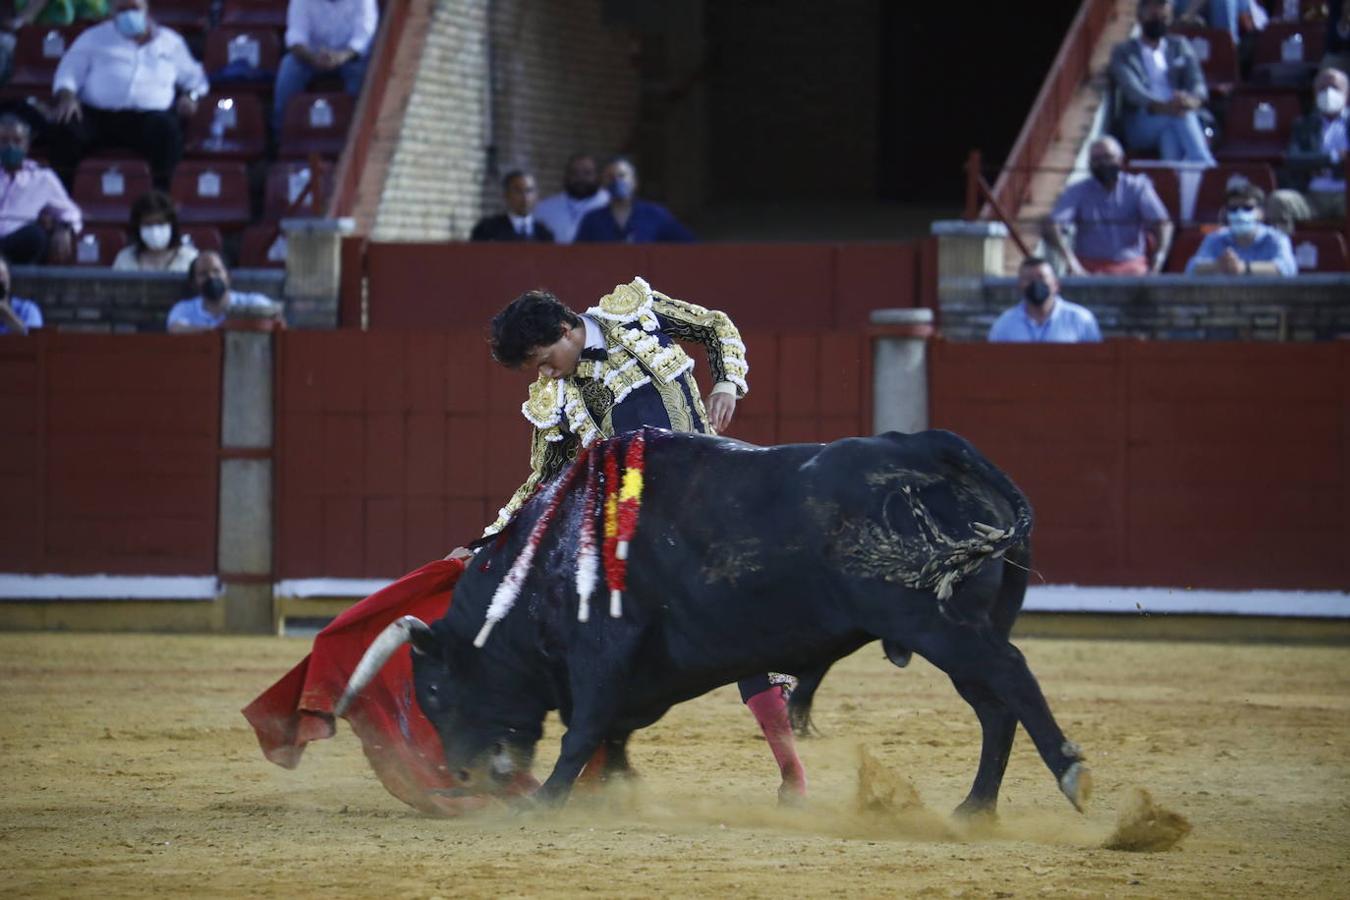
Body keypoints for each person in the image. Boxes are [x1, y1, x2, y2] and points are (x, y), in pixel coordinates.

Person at [478, 279, 806, 801]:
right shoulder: (555, 398)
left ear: (566, 329)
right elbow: (542, 480)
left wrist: (727, 383)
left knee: (750, 639)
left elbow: (716, 325)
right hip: (647, 535)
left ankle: (792, 775)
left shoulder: (636, 314)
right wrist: (486, 540)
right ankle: (597, 775)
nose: (543, 374)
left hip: (714, 500)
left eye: (543, 360)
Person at [48, 0, 208, 191]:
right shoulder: (93, 38)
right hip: (99, 117)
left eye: (134, 8)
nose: (129, 15)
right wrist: (67, 95)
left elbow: (196, 78)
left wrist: (191, 96)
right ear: (113, 11)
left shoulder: (170, 41)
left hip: (149, 119)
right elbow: (68, 72)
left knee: (168, 131)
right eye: (122, 10)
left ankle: (160, 199)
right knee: (66, 126)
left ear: (146, 9)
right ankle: (63, 196)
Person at [1043, 136, 1173, 275]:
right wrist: (1072, 264)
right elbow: (1052, 225)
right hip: (1089, 268)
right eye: (1096, 159)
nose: (1103, 163)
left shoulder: (1138, 187)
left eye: (1107, 157)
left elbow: (1163, 223)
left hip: (1132, 266)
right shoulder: (1077, 191)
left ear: (1120, 159)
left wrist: (1158, 261)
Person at [1109, 0, 1217, 166]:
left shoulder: (1179, 45)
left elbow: (1197, 82)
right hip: (1143, 120)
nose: (1159, 21)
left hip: (1177, 112)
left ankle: (1173, 177)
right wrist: (1166, 107)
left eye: (1164, 18)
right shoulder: (1124, 52)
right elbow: (1133, 91)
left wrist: (1191, 100)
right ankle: (1206, 165)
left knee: (1170, 135)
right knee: (1181, 115)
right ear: (1140, 18)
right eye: (1154, 16)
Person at [273, 0, 376, 133]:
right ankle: (280, 134)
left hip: (349, 58)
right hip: (311, 56)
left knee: (361, 72)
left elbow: (364, 37)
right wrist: (313, 58)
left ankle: (357, 131)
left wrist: (341, 57)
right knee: (289, 66)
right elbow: (296, 36)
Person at [1266, 67, 1348, 231]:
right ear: (1314, 93)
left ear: (1347, 93)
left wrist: (1315, 163)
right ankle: (1283, 253)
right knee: (1279, 200)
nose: (1328, 92)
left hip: (1345, 195)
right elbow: (1294, 159)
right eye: (1322, 88)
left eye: (1334, 88)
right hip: (1312, 197)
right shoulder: (1303, 125)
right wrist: (1334, 158)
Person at [0, 114, 80, 264]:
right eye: (4, 141)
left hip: (18, 242)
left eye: (17, 141)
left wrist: (64, 228)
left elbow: (71, 212)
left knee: (36, 236)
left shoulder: (43, 177)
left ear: (27, 144)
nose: (11, 146)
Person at [575, 157, 694, 244]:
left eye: (622, 176)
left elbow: (689, 246)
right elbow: (578, 256)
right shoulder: (592, 220)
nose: (617, 181)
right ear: (603, 183)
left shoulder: (656, 216)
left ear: (634, 181)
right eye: (610, 177)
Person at [1185, 183, 1297, 275]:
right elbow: (1192, 268)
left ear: (1260, 213)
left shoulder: (1276, 238)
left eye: (1247, 208)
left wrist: (1244, 268)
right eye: (1233, 209)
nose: (1240, 213)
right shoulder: (1215, 238)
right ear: (1226, 213)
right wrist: (1218, 266)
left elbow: (1288, 269)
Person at [988, 257, 1103, 343]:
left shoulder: (1080, 320)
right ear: (1019, 286)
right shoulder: (1004, 324)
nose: (1035, 284)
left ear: (1055, 284)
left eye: (1041, 277)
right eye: (1028, 279)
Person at [166, 250, 282, 332]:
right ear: (194, 283)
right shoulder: (183, 309)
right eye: (203, 274)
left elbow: (277, 319)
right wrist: (219, 330)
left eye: (216, 271)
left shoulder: (253, 302)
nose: (211, 277)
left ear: (228, 277)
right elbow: (175, 328)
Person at [532, 153, 609, 245]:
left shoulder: (609, 204)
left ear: (597, 176)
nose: (580, 178)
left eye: (587, 173)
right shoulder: (544, 208)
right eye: (574, 173)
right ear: (566, 175)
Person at [112, 189, 196, 272]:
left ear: (172, 225)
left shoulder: (190, 259)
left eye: (160, 223)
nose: (154, 230)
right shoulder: (124, 259)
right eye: (148, 224)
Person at [469, 170, 555, 242]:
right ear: (506, 195)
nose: (525, 197)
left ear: (536, 195)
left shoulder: (545, 234)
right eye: (518, 191)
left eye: (529, 191)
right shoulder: (487, 229)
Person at [0, 256, 40, 334]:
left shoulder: (28, 310)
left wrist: (6, 315)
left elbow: (35, 341)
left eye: (1, 275)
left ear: (8, 278)